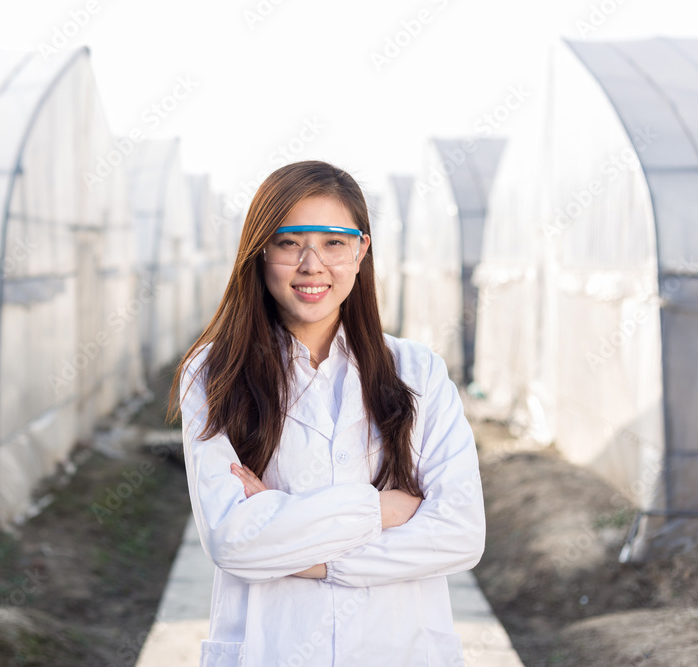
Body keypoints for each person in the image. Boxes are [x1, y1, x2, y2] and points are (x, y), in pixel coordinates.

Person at [168, 160, 485, 666]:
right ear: (260, 251)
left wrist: (300, 548)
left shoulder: (418, 372)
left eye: (334, 242)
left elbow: (459, 535)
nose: (312, 265)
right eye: (290, 242)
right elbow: (232, 541)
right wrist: (379, 512)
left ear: (361, 251)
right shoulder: (215, 372)